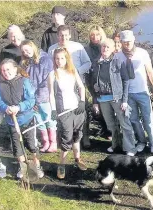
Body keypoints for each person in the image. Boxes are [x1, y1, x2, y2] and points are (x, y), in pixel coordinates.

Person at [0, 59, 44, 179]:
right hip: (12, 121)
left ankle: (36, 165)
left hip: (27, 119)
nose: (6, 72)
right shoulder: (0, 85)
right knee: (17, 147)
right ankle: (23, 167)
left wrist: (19, 107)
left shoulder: (24, 81)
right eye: (3, 70)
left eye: (8, 69)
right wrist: (6, 108)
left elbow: (31, 100)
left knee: (32, 144)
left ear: (15, 69)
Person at [114, 30, 153, 153]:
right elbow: (116, 77)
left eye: (129, 42)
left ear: (133, 40)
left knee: (148, 119)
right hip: (127, 94)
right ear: (121, 42)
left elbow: (150, 72)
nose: (127, 44)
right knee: (134, 120)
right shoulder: (117, 56)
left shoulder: (142, 53)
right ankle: (141, 141)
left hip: (143, 92)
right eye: (124, 42)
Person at [90, 38, 137, 156]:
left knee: (125, 123)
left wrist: (125, 100)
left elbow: (126, 80)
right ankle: (115, 145)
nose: (104, 49)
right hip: (102, 99)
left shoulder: (117, 61)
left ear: (112, 49)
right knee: (111, 125)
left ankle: (130, 148)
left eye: (107, 47)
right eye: (103, 47)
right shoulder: (96, 62)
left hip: (117, 98)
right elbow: (93, 83)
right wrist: (95, 101)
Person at [48, 25, 92, 148]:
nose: (64, 37)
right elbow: (49, 66)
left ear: (70, 35)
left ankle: (85, 136)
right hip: (59, 84)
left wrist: (75, 71)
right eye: (61, 35)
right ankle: (63, 137)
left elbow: (88, 63)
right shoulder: (52, 49)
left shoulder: (78, 47)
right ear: (57, 36)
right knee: (62, 111)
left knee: (82, 111)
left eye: (66, 35)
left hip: (76, 84)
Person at [48, 48, 87, 179]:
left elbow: (81, 87)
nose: (59, 61)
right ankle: (62, 165)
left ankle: (77, 158)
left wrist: (82, 101)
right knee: (67, 137)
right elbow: (51, 95)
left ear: (67, 59)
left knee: (77, 134)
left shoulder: (72, 70)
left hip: (77, 109)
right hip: (64, 111)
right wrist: (53, 109)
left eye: (62, 58)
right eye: (57, 59)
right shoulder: (52, 74)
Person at [20, 40, 57, 153]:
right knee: (39, 119)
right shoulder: (25, 63)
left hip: (44, 96)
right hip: (32, 98)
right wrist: (31, 99)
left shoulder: (45, 59)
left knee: (48, 118)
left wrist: (38, 97)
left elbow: (46, 81)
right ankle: (45, 142)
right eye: (23, 51)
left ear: (32, 47)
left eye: (27, 49)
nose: (26, 53)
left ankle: (53, 143)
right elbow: (25, 81)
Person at [84, 25, 111, 142]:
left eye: (97, 34)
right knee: (97, 107)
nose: (95, 37)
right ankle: (104, 127)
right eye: (92, 35)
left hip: (107, 82)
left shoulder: (106, 46)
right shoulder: (86, 49)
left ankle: (110, 131)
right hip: (92, 80)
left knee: (108, 108)